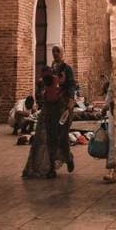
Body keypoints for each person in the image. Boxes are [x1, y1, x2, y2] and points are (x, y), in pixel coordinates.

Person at [48, 45, 75, 177]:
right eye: (53, 51)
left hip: (64, 106)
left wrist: (70, 101)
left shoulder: (67, 69)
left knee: (62, 135)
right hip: (51, 106)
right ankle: (50, 167)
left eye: (58, 51)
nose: (55, 53)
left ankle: (68, 158)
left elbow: (71, 85)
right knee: (50, 135)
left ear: (62, 53)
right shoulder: (49, 69)